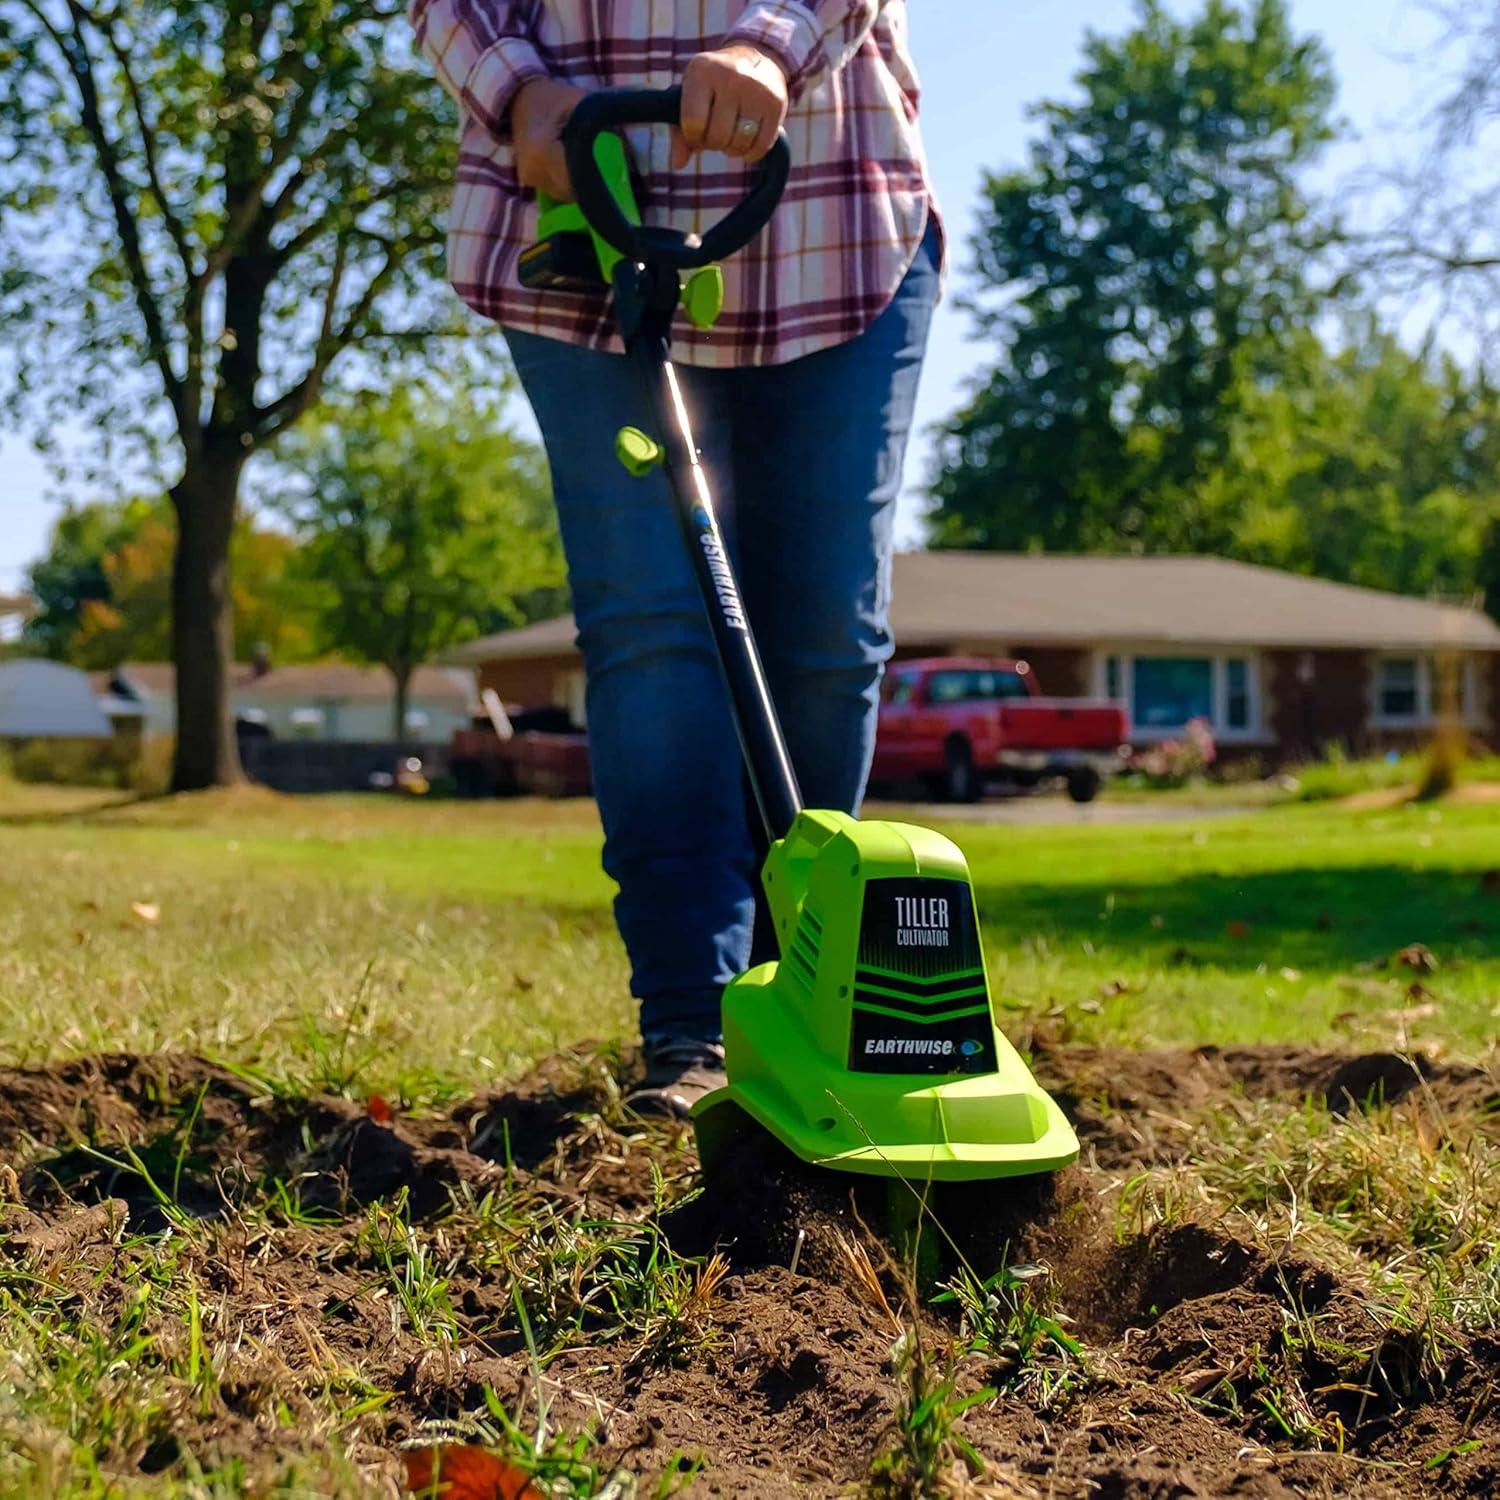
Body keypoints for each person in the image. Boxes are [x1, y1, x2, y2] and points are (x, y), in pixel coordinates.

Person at [410, 0, 941, 1114]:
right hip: (581, 208)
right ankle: (691, 1028)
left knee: (826, 639)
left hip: (827, 219)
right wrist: (514, 89)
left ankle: (807, 988)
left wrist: (769, 42)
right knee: (652, 629)